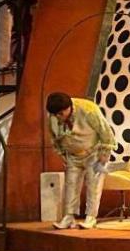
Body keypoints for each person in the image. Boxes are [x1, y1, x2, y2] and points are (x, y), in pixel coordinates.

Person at [46, 93, 115, 230]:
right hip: (72, 156)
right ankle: (69, 217)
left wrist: (105, 153)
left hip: (94, 153)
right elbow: (54, 138)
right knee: (70, 186)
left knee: (93, 186)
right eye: (55, 115)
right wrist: (62, 154)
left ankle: (91, 217)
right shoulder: (54, 117)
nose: (58, 117)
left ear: (69, 107)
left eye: (61, 114)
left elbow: (105, 131)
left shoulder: (89, 109)